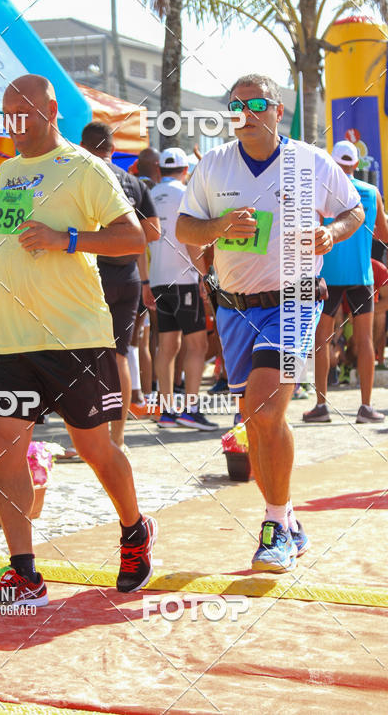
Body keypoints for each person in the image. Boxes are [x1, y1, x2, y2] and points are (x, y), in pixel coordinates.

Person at [0, 74, 156, 608]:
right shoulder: (6, 170)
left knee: (94, 447)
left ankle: (135, 531)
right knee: (5, 449)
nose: (14, 123)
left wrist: (66, 239)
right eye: (7, 113)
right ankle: (24, 574)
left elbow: (133, 237)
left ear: (51, 109)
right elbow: (11, 240)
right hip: (8, 337)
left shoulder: (85, 168)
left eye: (23, 111)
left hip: (75, 334)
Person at [176, 74, 363, 572]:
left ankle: (275, 526)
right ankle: (291, 520)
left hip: (297, 296)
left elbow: (353, 211)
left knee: (263, 406)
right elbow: (183, 226)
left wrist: (330, 232)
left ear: (277, 110)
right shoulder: (214, 165)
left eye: (257, 102)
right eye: (236, 104)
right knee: (256, 423)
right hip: (236, 306)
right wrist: (217, 228)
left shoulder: (310, 161)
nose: (246, 110)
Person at [80, 121, 160, 449]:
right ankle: (118, 437)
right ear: (113, 148)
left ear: (84, 148)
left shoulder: (80, 177)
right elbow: (152, 233)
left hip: (91, 276)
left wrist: (99, 237)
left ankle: (90, 439)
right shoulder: (133, 182)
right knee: (119, 357)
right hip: (127, 278)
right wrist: (123, 237)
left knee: (87, 357)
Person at [304, 140, 388, 424]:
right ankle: (365, 407)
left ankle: (321, 406)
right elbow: (384, 234)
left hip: (329, 275)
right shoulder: (372, 191)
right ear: (355, 163)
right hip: (361, 274)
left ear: (333, 163)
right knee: (364, 340)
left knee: (322, 339)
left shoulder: (322, 191)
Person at [146, 148, 215, 430]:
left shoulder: (150, 195)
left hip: (158, 277)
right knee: (197, 345)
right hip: (184, 277)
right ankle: (191, 409)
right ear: (185, 170)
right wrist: (204, 275)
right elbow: (192, 238)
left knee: (167, 345)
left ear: (159, 170)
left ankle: (166, 411)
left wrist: (146, 280)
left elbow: (144, 238)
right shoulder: (186, 193)